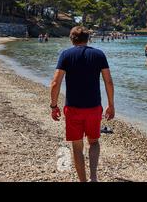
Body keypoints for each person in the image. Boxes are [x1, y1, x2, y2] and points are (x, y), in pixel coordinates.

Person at [49, 26, 115, 182]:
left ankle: (83, 181)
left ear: (71, 38)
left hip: (73, 107)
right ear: (88, 39)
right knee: (94, 142)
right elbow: (109, 82)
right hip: (93, 107)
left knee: (77, 146)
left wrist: (53, 105)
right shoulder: (99, 55)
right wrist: (111, 104)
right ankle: (93, 177)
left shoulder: (66, 55)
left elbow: (55, 83)